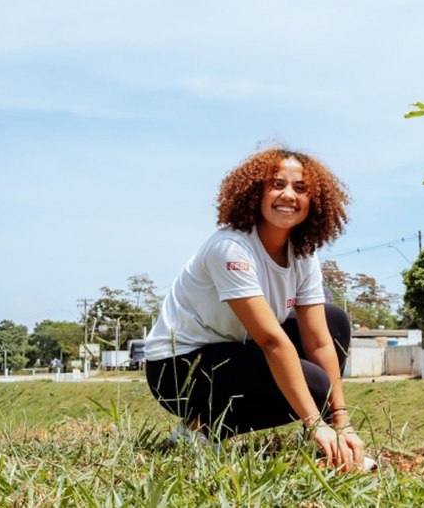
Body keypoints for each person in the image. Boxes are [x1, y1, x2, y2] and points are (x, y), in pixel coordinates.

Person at [144, 148, 364, 469]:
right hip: (177, 367)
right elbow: (272, 342)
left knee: (334, 321)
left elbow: (318, 340)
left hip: (235, 348)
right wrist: (315, 420)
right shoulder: (230, 248)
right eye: (277, 184)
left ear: (314, 202)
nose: (288, 195)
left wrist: (340, 420)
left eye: (300, 188)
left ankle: (325, 439)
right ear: (255, 193)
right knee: (314, 385)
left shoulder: (303, 254)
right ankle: (200, 430)